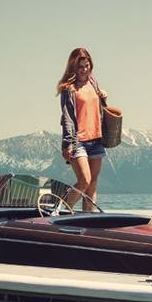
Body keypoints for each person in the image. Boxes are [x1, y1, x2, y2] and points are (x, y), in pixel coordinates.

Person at [57, 47, 107, 212]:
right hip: (78, 141)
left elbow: (97, 110)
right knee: (84, 180)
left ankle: (88, 221)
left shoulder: (93, 83)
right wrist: (68, 143)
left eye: (87, 66)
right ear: (73, 68)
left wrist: (103, 99)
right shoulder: (69, 89)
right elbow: (67, 117)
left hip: (97, 140)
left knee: (92, 185)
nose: (84, 70)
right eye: (80, 67)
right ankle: (62, 210)